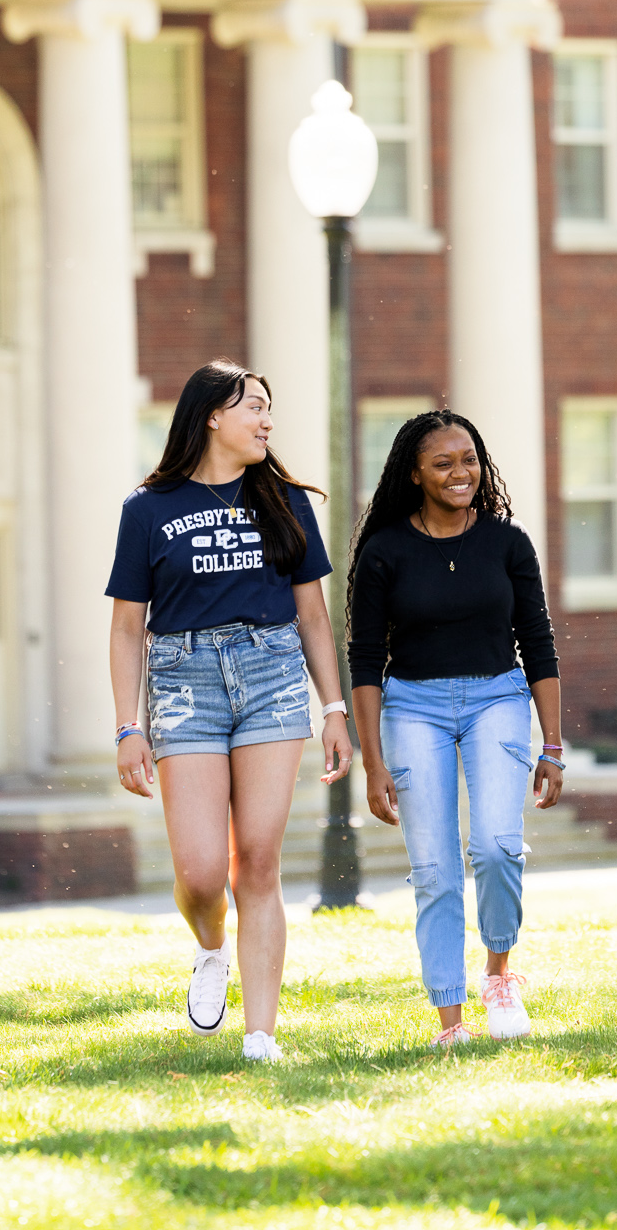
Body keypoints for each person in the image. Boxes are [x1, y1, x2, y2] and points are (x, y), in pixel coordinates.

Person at [107, 359, 352, 1064]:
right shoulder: (148, 509)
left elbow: (312, 615)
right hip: (184, 683)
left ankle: (260, 1036)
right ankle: (210, 948)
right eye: (254, 407)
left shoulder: (286, 502)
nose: (266, 420)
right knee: (203, 872)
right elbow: (128, 628)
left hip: (272, 673)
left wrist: (332, 707)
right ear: (212, 414)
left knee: (261, 861)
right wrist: (130, 726)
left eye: (269, 408)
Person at [348, 409, 563, 1050]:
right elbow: (364, 658)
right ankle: (451, 1022)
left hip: (498, 696)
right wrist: (372, 761)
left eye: (467, 458)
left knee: (497, 846)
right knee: (435, 868)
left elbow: (539, 645)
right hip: (412, 708)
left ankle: (499, 974)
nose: (459, 472)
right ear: (414, 473)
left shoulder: (507, 542)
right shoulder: (385, 550)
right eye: (442, 463)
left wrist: (552, 745)